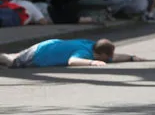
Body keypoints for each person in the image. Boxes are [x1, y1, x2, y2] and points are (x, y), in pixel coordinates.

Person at [0, 38, 143, 68]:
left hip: (48, 45)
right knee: (13, 62)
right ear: (99, 55)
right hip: (41, 54)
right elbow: (72, 61)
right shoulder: (84, 52)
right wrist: (92, 62)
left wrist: (130, 57)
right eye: (108, 57)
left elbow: (114, 57)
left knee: (19, 55)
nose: (111, 59)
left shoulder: (91, 45)